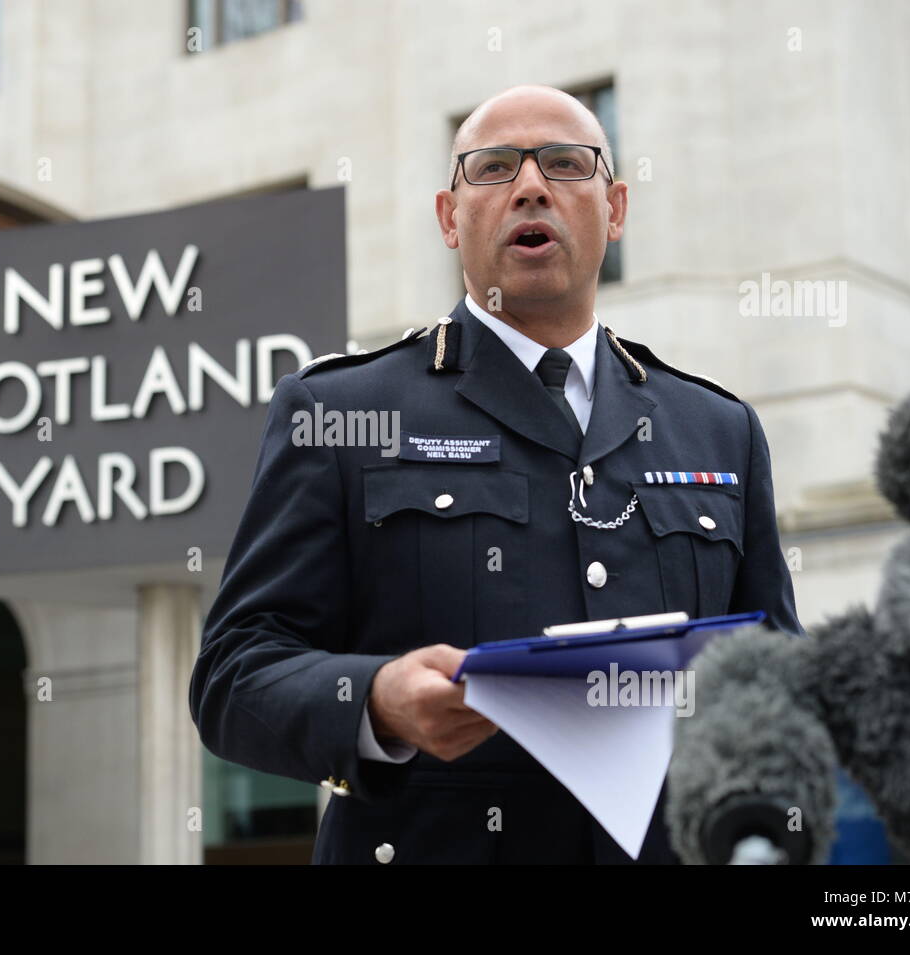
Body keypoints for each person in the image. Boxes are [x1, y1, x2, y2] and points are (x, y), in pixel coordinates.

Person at [189, 84, 801, 864]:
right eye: (494, 167)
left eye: (565, 163)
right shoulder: (340, 409)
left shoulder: (718, 428)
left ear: (616, 209)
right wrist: (375, 701)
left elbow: (779, 678)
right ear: (449, 217)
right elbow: (234, 675)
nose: (532, 185)